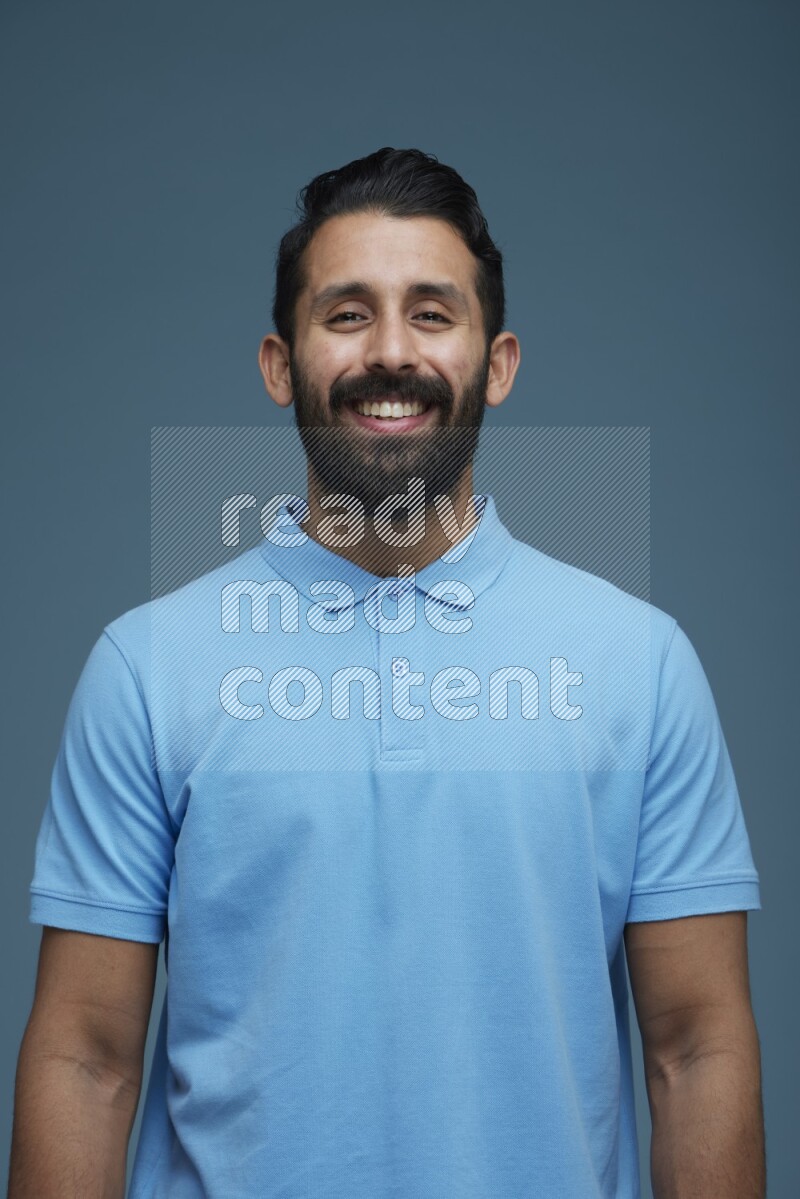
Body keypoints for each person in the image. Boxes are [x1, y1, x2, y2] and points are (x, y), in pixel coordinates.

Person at [9, 147, 765, 1198]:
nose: (390, 352)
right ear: (282, 362)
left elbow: (694, 1046)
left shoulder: (637, 661)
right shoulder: (147, 666)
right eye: (348, 313)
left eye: (430, 312)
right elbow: (85, 1056)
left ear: (495, 362)